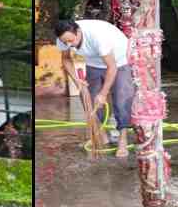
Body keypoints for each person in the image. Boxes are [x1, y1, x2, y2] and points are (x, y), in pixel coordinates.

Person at [55, 19, 135, 157]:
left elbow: (112, 67)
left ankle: (123, 140)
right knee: (90, 99)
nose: (68, 44)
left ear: (78, 32)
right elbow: (66, 59)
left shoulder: (98, 37)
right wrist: (77, 81)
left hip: (120, 61)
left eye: (71, 40)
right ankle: (102, 135)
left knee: (122, 100)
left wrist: (103, 93)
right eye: (65, 42)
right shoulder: (63, 38)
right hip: (93, 63)